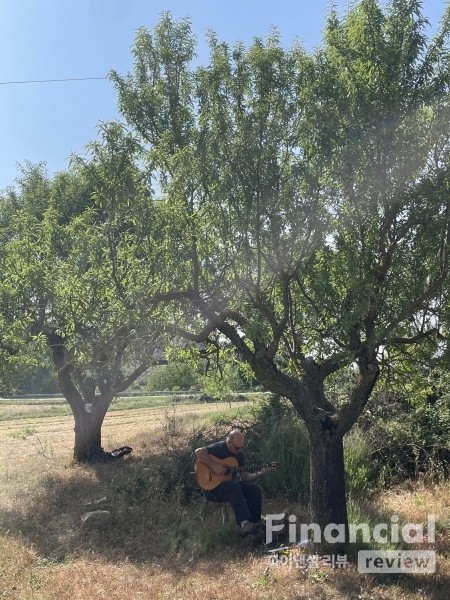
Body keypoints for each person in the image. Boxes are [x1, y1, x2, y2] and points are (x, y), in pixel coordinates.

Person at [195, 429, 267, 536]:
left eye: (241, 447)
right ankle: (244, 524)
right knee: (234, 485)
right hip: (212, 489)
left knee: (254, 489)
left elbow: (245, 476)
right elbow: (198, 452)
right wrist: (214, 466)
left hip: (231, 488)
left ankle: (255, 523)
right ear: (229, 443)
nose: (239, 450)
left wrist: (258, 474)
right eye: (237, 447)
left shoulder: (239, 455)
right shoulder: (219, 448)